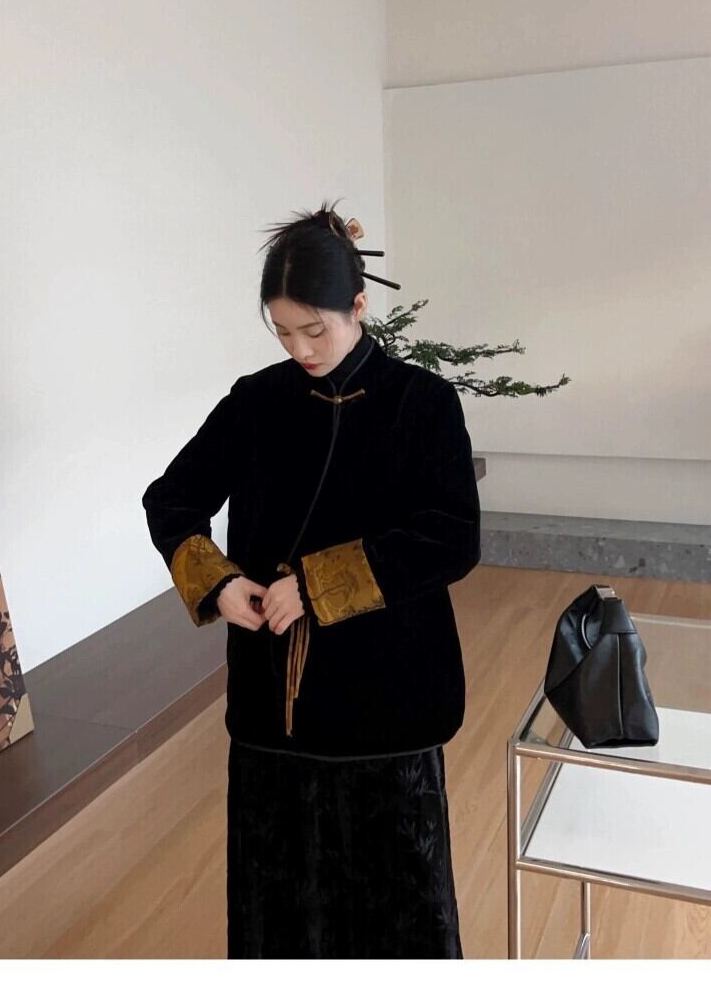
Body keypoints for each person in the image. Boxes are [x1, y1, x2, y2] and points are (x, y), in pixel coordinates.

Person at [141, 199, 481, 959]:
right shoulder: (255, 402)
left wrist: (320, 586)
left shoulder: (423, 404)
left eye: (314, 329)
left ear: (358, 306)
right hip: (276, 712)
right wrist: (218, 582)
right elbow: (172, 501)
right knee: (279, 916)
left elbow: (454, 536)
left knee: (400, 916)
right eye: (283, 331)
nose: (300, 348)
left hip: (389, 708)